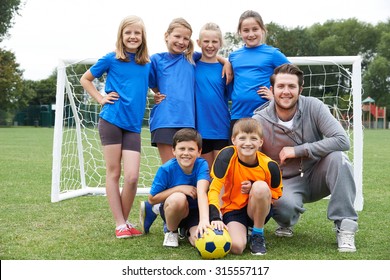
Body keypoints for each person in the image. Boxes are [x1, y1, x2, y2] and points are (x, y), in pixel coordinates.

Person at [252, 63, 359, 252]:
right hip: (284, 182)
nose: (286, 91)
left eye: (292, 86)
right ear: (272, 90)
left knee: (339, 158)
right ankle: (287, 221)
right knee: (283, 208)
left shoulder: (314, 106)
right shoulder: (259, 120)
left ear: (300, 89)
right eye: (281, 86)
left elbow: (342, 140)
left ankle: (345, 225)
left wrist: (298, 150)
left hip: (316, 173)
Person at [80, 15, 150, 238]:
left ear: (142, 37)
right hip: (111, 120)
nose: (132, 36)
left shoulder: (146, 64)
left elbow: (154, 84)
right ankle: (121, 224)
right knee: (114, 172)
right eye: (128, 32)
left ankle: (125, 222)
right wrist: (100, 98)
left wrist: (158, 94)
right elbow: (85, 79)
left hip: (133, 126)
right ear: (121, 36)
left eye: (136, 33)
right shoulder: (111, 59)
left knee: (131, 177)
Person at [208, 118, 283, 255]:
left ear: (261, 142)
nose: (248, 143)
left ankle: (257, 234)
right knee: (236, 247)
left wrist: (254, 187)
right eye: (242, 138)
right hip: (232, 209)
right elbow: (214, 188)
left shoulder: (270, 165)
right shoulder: (226, 156)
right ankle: (242, 232)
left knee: (261, 187)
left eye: (253, 139)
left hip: (256, 211)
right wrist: (215, 217)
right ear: (233, 140)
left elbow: (277, 194)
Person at [228, 10, 290, 140]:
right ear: (240, 32)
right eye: (246, 30)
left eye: (255, 29)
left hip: (264, 115)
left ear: (262, 29)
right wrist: (225, 62)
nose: (251, 34)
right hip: (238, 115)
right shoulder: (233, 56)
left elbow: (293, 77)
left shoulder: (272, 53)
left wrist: (275, 97)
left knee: (263, 155)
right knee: (239, 155)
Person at [144, 128, 210, 247]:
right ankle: (171, 231)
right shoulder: (166, 169)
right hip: (175, 207)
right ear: (174, 151)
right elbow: (152, 198)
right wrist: (179, 188)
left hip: (194, 211)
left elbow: (201, 192)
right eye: (182, 149)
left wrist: (204, 220)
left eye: (191, 149)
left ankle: (186, 229)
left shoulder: (202, 164)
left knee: (201, 242)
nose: (186, 153)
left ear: (199, 152)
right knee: (178, 198)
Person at [195, 22, 231, 169]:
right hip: (199, 129)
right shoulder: (192, 65)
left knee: (221, 174)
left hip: (221, 127)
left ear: (220, 43)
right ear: (198, 43)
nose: (210, 45)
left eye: (214, 41)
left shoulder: (226, 69)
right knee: (206, 174)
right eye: (206, 41)